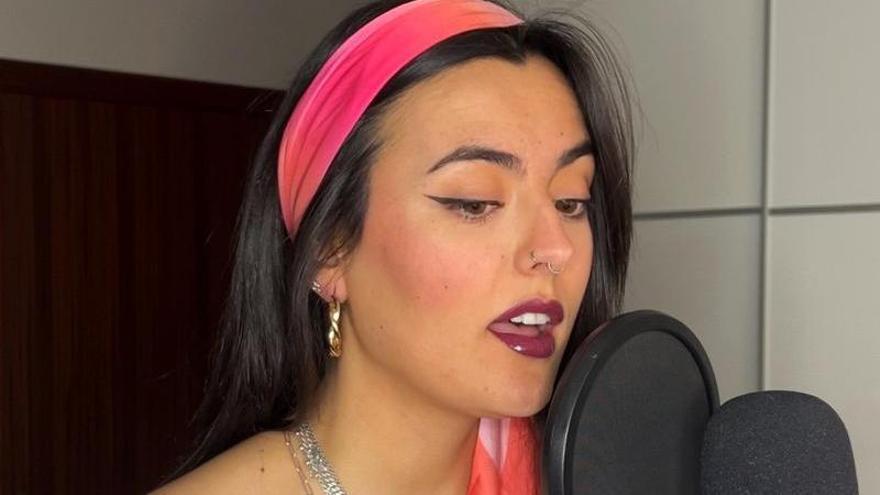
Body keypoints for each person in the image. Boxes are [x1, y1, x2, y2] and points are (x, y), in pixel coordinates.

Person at [155, 0, 633, 493]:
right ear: (329, 249)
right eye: (475, 203)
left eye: (571, 201)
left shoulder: (599, 477)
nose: (555, 247)